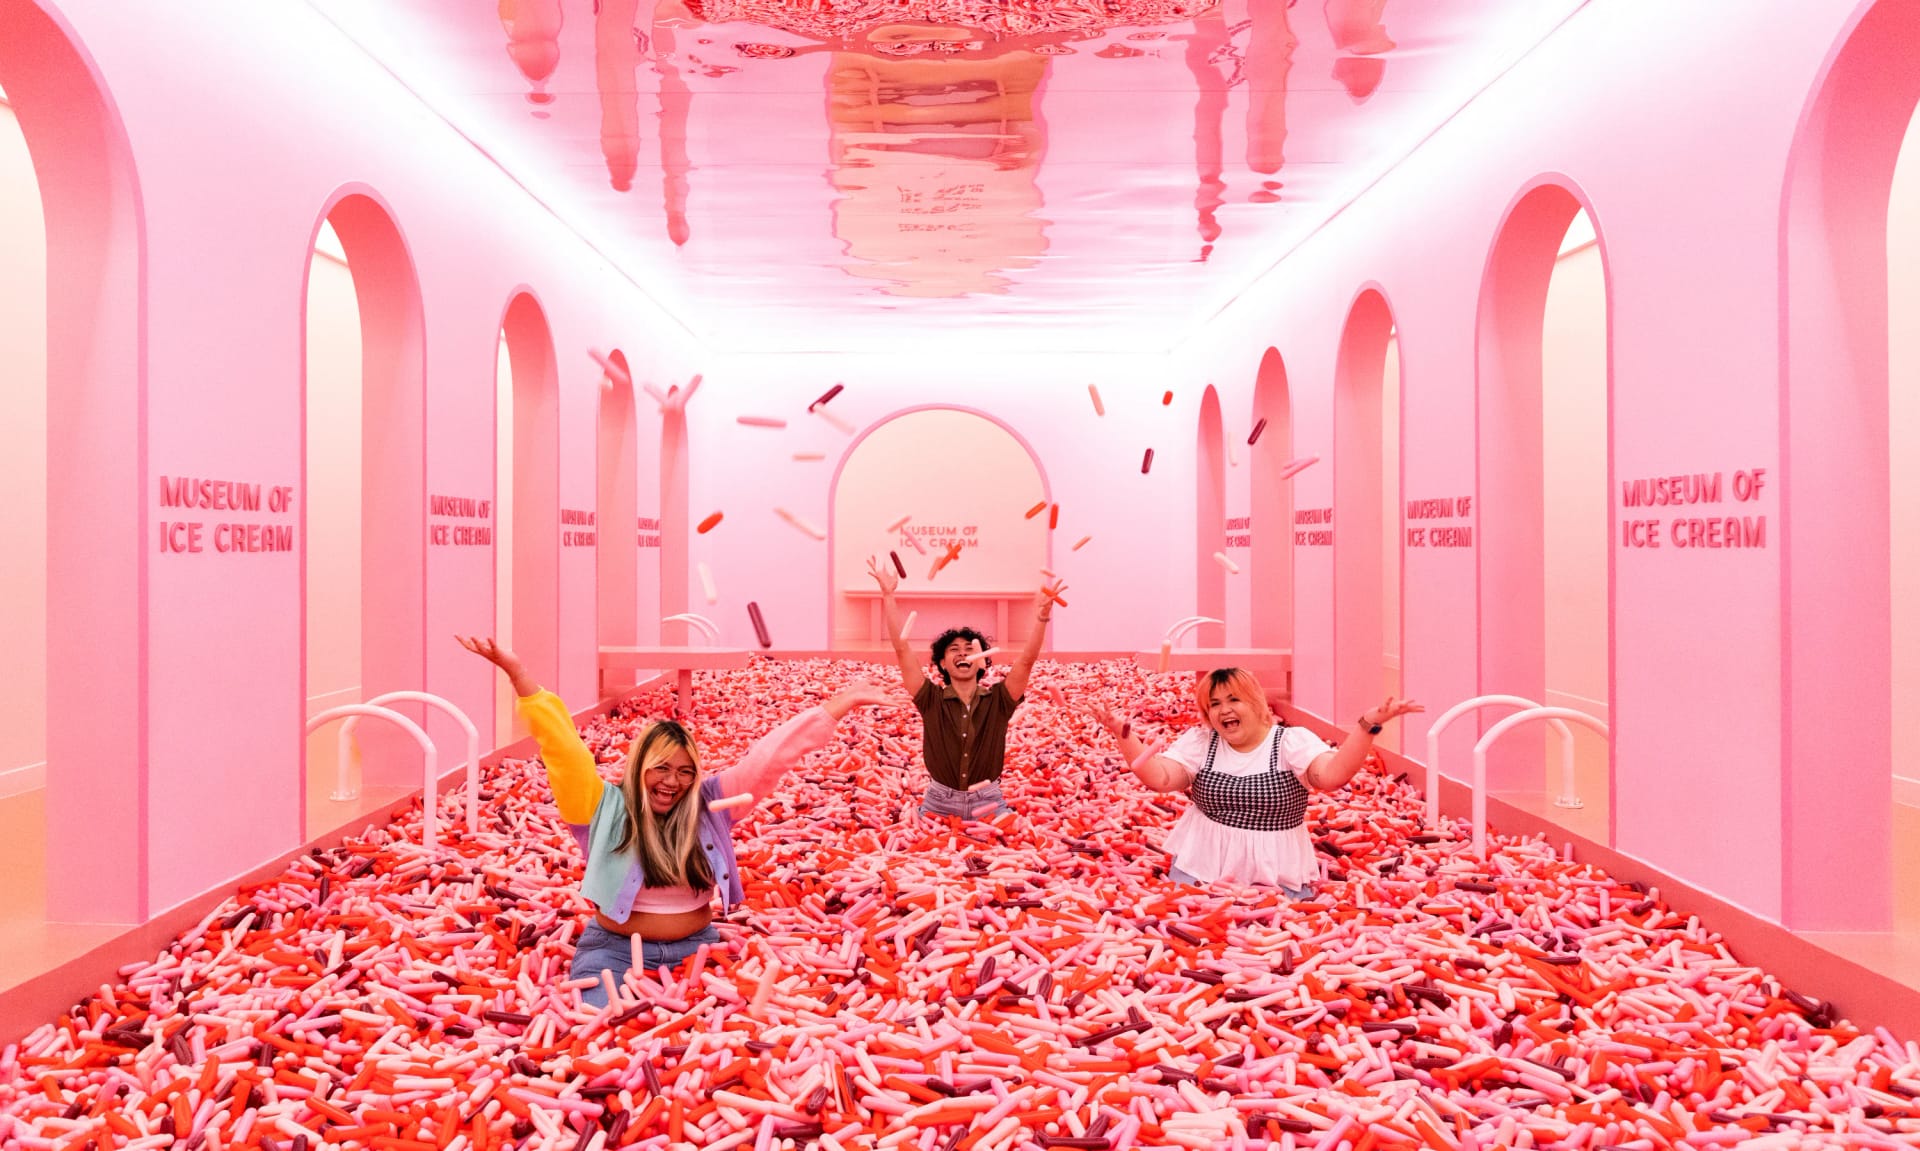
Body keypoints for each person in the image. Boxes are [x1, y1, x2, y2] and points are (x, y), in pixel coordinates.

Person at [458, 635, 896, 1006]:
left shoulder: (711, 804)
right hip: (614, 954)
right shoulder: (601, 807)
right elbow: (564, 750)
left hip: (698, 949)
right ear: (638, 768)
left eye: (686, 771)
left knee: (730, 1029)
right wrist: (519, 677)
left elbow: (767, 760)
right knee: (596, 1027)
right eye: (662, 769)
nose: (673, 782)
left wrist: (835, 707)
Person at [1084, 668, 1421, 895]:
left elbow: (1332, 776)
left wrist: (1367, 727)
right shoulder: (1203, 742)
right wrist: (1123, 735)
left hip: (1275, 869)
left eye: (1233, 700)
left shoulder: (1289, 743)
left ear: (1256, 703)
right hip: (1204, 862)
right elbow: (1160, 777)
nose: (1223, 710)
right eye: (1214, 704)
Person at [866, 557, 1065, 819]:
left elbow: (1027, 661)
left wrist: (1041, 617)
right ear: (942, 663)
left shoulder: (999, 700)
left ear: (982, 660)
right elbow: (902, 648)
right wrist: (888, 595)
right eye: (954, 651)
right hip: (939, 802)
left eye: (970, 650)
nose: (963, 654)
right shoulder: (930, 699)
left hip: (989, 802)